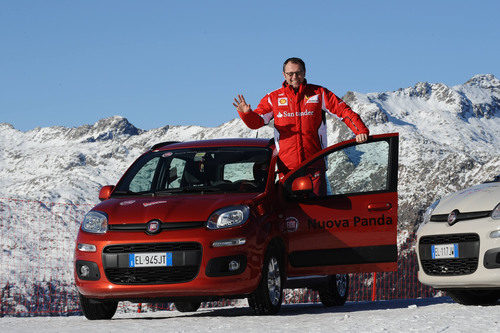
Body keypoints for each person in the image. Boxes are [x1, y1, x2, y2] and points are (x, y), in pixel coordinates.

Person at [233, 57, 369, 189]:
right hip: (286, 170)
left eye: (298, 73)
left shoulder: (319, 93)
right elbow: (257, 122)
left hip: (315, 166)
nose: (294, 77)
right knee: (289, 211)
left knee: (318, 210)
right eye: (290, 74)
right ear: (284, 75)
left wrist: (360, 131)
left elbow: (343, 111)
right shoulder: (273, 98)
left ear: (304, 73)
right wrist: (246, 114)